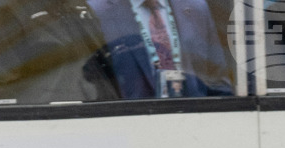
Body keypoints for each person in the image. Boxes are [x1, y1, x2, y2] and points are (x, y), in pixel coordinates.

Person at [88, 0, 233, 98]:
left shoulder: (195, 7)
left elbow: (218, 80)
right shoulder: (97, 11)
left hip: (195, 123)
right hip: (135, 128)